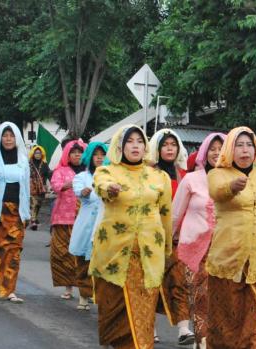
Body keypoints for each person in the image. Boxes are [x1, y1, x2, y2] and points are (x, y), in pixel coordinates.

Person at [90, 124, 173, 349]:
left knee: (142, 315)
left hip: (148, 255)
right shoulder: (106, 172)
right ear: (120, 146)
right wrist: (111, 189)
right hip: (113, 255)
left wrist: (167, 249)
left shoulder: (159, 177)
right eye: (130, 141)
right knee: (113, 311)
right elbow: (100, 187)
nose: (135, 146)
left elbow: (166, 214)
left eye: (139, 141)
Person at [206, 126, 256, 348]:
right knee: (227, 323)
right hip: (229, 256)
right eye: (239, 145)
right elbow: (217, 192)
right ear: (230, 149)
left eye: (249, 145)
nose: (245, 150)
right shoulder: (217, 173)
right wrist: (232, 187)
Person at [172, 132, 226, 348]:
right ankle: (202, 339)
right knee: (200, 295)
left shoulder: (234, 180)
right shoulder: (191, 180)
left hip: (223, 249)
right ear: (204, 152)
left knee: (219, 297)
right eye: (212, 149)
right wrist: (168, 240)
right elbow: (176, 214)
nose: (216, 153)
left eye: (221, 149)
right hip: (194, 247)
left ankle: (207, 338)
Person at [147, 128, 196, 345]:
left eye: (173, 145)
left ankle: (184, 329)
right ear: (157, 148)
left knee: (180, 282)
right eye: (165, 145)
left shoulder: (185, 176)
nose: (169, 148)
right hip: (153, 239)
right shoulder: (148, 174)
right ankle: (149, 327)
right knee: (151, 284)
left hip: (180, 240)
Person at [0, 122, 30, 303]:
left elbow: (26, 188)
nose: (8, 139)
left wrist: (27, 212)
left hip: (16, 212)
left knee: (14, 251)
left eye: (11, 136)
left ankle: (10, 289)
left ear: (16, 138)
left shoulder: (23, 161)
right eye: (5, 135)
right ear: (0, 138)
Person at [69, 141, 108, 310]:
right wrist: (84, 191)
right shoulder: (81, 177)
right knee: (84, 261)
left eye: (102, 155)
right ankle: (84, 295)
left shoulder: (110, 177)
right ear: (90, 157)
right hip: (86, 224)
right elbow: (78, 191)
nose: (99, 158)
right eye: (96, 155)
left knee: (101, 262)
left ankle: (97, 294)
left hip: (104, 225)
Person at [50, 139, 86, 300]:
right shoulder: (61, 170)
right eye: (74, 152)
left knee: (84, 255)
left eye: (80, 152)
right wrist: (71, 183)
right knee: (64, 254)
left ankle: (86, 290)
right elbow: (56, 186)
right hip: (63, 218)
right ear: (67, 155)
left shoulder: (89, 171)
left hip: (85, 219)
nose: (77, 155)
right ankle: (68, 288)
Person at [28, 145, 51, 230]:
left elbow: (49, 174)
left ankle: (35, 217)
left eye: (39, 153)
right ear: (33, 153)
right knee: (34, 204)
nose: (38, 154)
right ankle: (33, 221)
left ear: (42, 154)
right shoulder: (29, 164)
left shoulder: (44, 164)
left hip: (42, 188)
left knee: (39, 204)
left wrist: (53, 184)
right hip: (32, 187)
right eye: (36, 153)